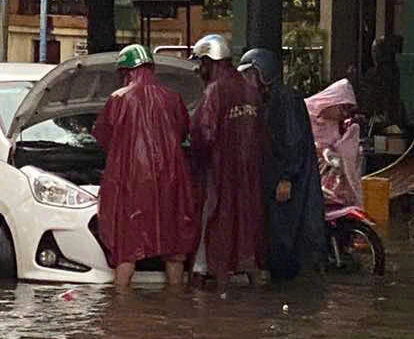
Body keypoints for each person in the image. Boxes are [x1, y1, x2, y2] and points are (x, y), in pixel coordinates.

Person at [91, 44, 198, 288]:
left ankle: (120, 310)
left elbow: (104, 138)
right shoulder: (173, 99)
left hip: (132, 184)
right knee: (175, 249)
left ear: (126, 71)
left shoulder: (117, 99)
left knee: (127, 249)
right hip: (171, 182)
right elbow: (183, 133)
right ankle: (176, 306)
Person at [239, 48, 324, 280]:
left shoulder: (285, 99)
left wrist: (286, 176)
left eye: (250, 75)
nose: (247, 81)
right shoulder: (267, 100)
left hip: (288, 183)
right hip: (277, 180)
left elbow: (292, 140)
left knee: (286, 234)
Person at [188, 34, 266, 290]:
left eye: (201, 63)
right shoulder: (251, 91)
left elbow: (203, 134)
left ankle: (215, 287)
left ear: (210, 61)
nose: (199, 69)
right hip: (250, 173)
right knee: (246, 227)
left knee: (216, 226)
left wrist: (195, 159)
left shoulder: (215, 91)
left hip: (219, 173)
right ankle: (254, 286)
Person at [304, 78, 363, 209]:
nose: (344, 114)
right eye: (343, 108)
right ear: (333, 100)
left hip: (332, 180)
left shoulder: (340, 126)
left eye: (348, 111)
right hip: (307, 174)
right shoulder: (303, 113)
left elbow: (345, 154)